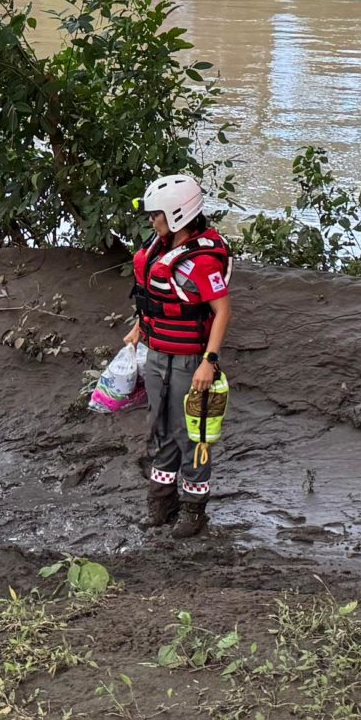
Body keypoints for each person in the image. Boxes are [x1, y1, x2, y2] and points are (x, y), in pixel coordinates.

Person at [130, 172, 232, 537]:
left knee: (192, 435)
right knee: (161, 430)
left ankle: (194, 512)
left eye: (156, 215)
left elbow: (222, 311)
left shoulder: (202, 262)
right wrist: (140, 330)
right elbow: (156, 302)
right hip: (158, 354)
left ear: (177, 215)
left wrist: (209, 360)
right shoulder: (159, 251)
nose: (152, 221)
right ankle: (161, 505)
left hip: (191, 361)